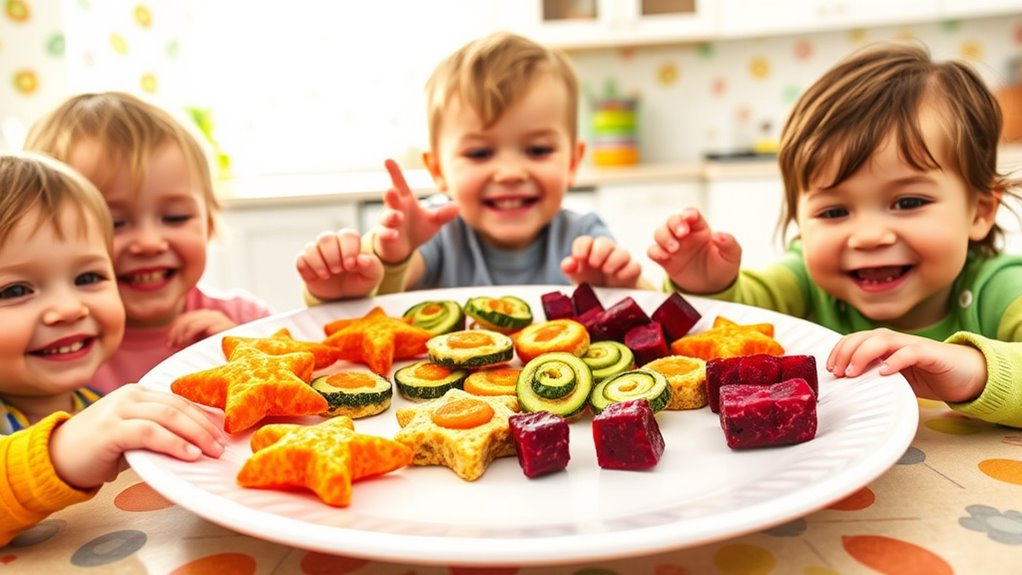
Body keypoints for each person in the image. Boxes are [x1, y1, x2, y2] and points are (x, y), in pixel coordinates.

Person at [649, 42, 1022, 427]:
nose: (868, 236)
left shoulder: (1002, 290)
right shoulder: (806, 281)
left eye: (908, 202)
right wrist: (709, 285)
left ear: (979, 211)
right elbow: (738, 317)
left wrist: (975, 369)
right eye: (834, 211)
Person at [298, 31, 646, 302]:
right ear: (438, 170)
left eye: (538, 150)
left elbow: (647, 301)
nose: (510, 173)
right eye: (479, 154)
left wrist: (623, 286)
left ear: (572, 162)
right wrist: (392, 256)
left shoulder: (583, 235)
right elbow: (381, 293)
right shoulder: (437, 232)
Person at [0, 153, 225, 546]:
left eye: (88, 277)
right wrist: (57, 454)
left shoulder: (100, 406)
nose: (71, 308)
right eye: (15, 290)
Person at [24, 92, 272, 394]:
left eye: (176, 217)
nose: (150, 243)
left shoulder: (247, 322)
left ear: (208, 223)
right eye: (114, 223)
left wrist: (249, 359)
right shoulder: (50, 348)